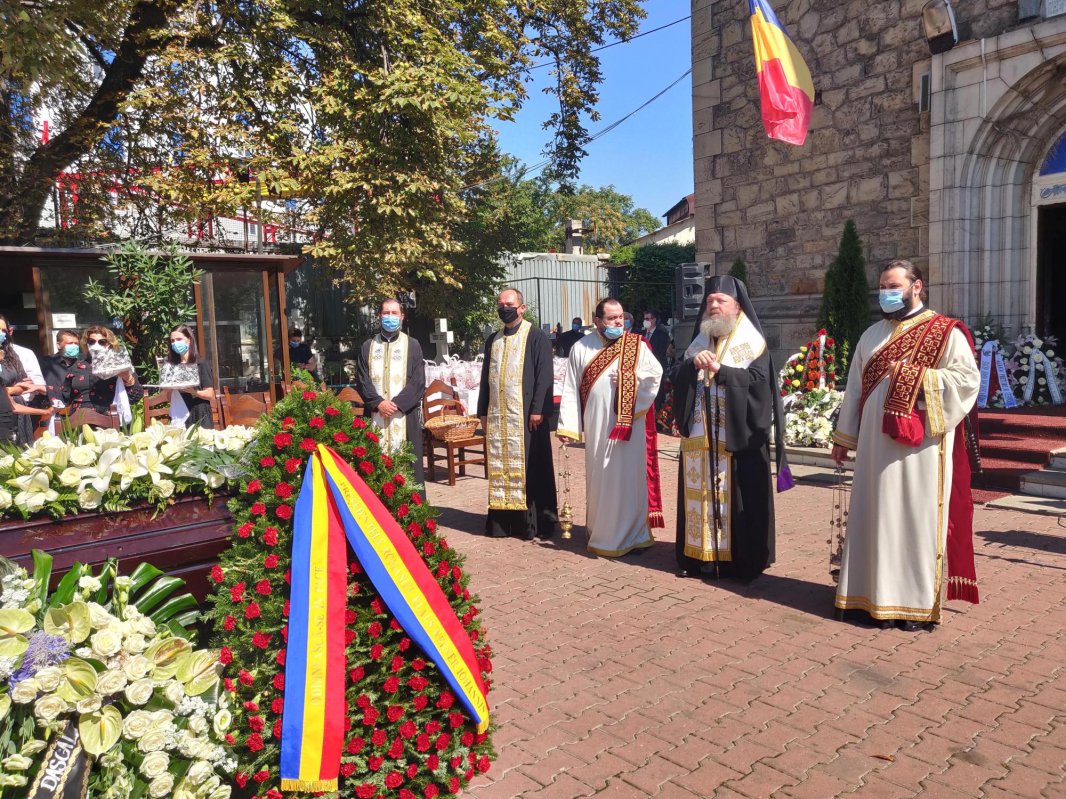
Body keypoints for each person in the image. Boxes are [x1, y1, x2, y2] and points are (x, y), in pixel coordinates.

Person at [831, 260, 981, 631]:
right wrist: (843, 437)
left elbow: (966, 380)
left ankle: (910, 604)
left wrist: (914, 377)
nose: (886, 291)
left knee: (912, 520)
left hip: (921, 448)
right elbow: (854, 390)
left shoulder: (945, 333)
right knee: (873, 516)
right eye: (882, 285)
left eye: (894, 284)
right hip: (872, 446)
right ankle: (864, 596)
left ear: (917, 286)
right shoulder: (871, 335)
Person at [671, 276, 792, 581]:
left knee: (739, 499)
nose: (713, 306)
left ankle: (740, 562)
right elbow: (675, 376)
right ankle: (700, 559)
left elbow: (759, 385)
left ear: (737, 307)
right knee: (700, 494)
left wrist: (720, 371)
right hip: (702, 439)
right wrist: (691, 366)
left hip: (737, 438)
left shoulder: (752, 343)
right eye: (710, 301)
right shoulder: (700, 341)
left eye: (721, 301)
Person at [557, 298, 663, 557]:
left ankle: (636, 534)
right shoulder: (581, 347)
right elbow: (571, 388)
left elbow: (656, 374)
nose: (619, 322)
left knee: (631, 478)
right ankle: (602, 534)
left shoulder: (636, 345)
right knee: (601, 478)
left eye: (621, 318)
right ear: (597, 321)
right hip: (598, 428)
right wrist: (569, 426)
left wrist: (633, 380)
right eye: (612, 318)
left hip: (631, 428)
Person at [477, 288, 557, 539]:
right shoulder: (494, 339)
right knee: (501, 468)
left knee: (532, 467)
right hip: (499, 417)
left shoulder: (536, 336)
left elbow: (545, 376)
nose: (504, 308)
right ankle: (502, 523)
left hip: (526, 417)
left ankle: (531, 524)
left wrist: (537, 410)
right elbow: (484, 379)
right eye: (500, 304)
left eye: (509, 303)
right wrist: (482, 410)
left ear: (521, 308)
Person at [355, 299, 426, 485]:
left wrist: (396, 405)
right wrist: (379, 402)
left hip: (404, 417)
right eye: (386, 313)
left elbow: (418, 381)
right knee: (374, 470)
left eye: (395, 313)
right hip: (374, 416)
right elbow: (362, 380)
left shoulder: (413, 345)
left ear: (402, 317)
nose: (390, 317)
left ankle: (410, 513)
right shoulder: (367, 346)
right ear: (379, 316)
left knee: (408, 472)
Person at [66, 326, 143, 423]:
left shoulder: (119, 366)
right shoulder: (76, 366)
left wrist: (127, 378)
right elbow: (64, 396)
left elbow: (136, 397)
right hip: (79, 422)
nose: (96, 345)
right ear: (86, 343)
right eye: (92, 341)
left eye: (102, 342)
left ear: (109, 344)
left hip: (110, 421)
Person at [0, 316, 48, 442]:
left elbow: (31, 385)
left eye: (3, 330)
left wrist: (46, 411)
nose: (1, 334)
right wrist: (13, 389)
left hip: (16, 415)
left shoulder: (13, 355)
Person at [163, 324, 216, 429]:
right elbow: (169, 397)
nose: (175, 343)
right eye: (172, 341)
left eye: (179, 339)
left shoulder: (201, 363)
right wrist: (168, 388)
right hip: (179, 412)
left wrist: (192, 391)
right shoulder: (171, 366)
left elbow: (210, 394)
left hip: (199, 413)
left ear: (189, 340)